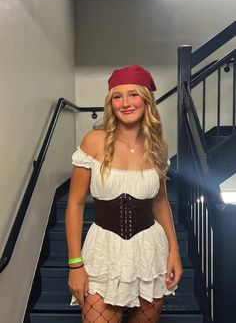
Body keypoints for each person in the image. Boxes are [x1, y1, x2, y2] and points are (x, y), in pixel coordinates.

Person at [65, 65, 183, 323]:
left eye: (133, 94)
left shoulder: (158, 147)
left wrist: (174, 251)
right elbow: (74, 203)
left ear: (146, 100)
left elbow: (160, 203)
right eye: (117, 96)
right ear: (111, 103)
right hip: (104, 253)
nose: (125, 103)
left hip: (150, 253)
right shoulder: (94, 141)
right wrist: (75, 264)